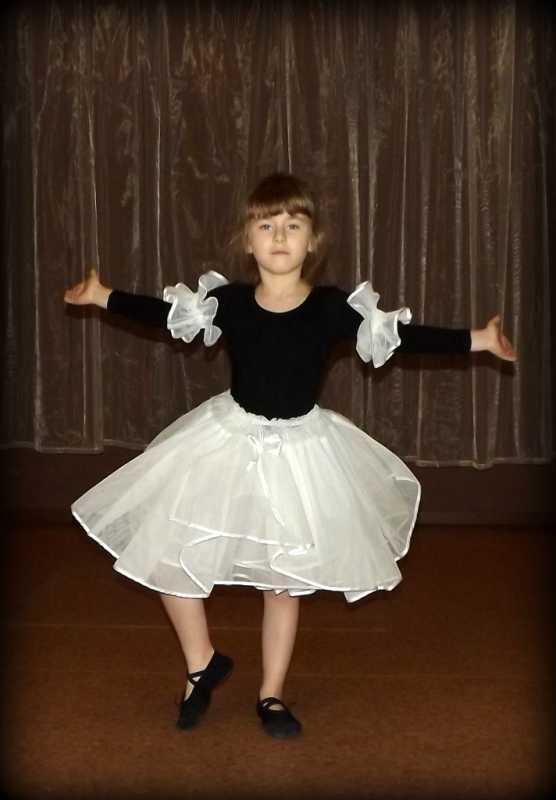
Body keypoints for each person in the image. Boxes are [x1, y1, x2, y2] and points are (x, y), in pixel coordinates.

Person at [64, 172, 517, 739]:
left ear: (312, 241)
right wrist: (102, 295)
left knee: (282, 580)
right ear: (248, 240)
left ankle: (271, 693)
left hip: (300, 453)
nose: (279, 236)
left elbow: (405, 337)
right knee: (165, 550)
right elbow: (161, 312)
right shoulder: (230, 301)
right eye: (267, 225)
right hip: (226, 442)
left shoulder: (330, 308)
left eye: (293, 225)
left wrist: (478, 339)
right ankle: (202, 663)